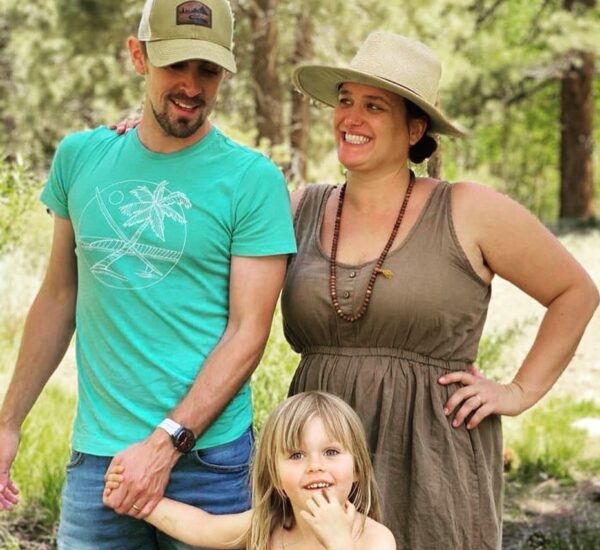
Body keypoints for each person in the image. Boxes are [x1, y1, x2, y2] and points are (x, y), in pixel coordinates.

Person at [281, 31, 599, 549]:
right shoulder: (299, 207)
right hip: (320, 451)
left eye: (374, 106)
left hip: (430, 449)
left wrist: (518, 392)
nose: (351, 118)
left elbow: (575, 291)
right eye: (344, 102)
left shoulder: (468, 208)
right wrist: (154, 143)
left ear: (414, 129)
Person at [0, 0, 296, 548]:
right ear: (138, 56)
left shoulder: (252, 180)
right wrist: (8, 423)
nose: (190, 85)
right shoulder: (80, 158)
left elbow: (247, 333)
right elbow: (59, 297)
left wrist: (164, 446)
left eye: (207, 70)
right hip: (100, 458)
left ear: (225, 73)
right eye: (175, 65)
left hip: (211, 460)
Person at [103, 391, 396, 550]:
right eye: (296, 455)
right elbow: (202, 528)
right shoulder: (268, 524)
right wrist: (134, 495)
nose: (315, 466)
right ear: (276, 477)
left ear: (358, 468)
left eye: (331, 452)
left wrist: (338, 541)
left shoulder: (373, 539)